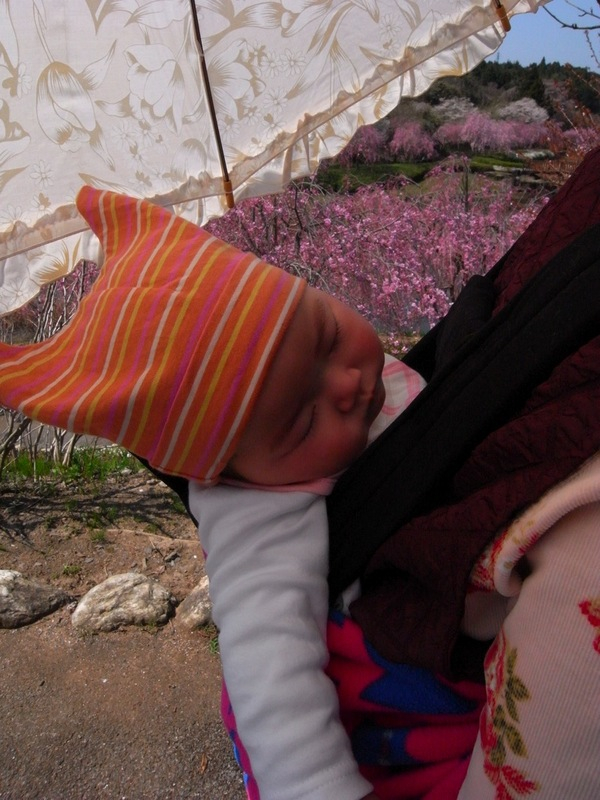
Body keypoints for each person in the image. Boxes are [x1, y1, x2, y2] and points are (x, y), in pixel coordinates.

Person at [0, 186, 426, 800]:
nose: (349, 382)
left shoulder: (304, 424)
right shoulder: (260, 521)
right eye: (303, 422)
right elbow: (273, 690)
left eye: (330, 333)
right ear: (231, 474)